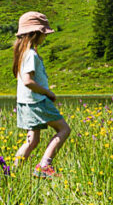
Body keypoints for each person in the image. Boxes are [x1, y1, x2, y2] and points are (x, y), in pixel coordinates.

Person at [11, 11, 70, 178]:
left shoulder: (22, 53)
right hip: (37, 101)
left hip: (25, 103)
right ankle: (44, 165)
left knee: (32, 140)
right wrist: (48, 92)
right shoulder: (30, 54)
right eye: (44, 34)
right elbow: (28, 81)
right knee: (64, 129)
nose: (45, 38)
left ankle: (13, 172)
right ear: (35, 34)